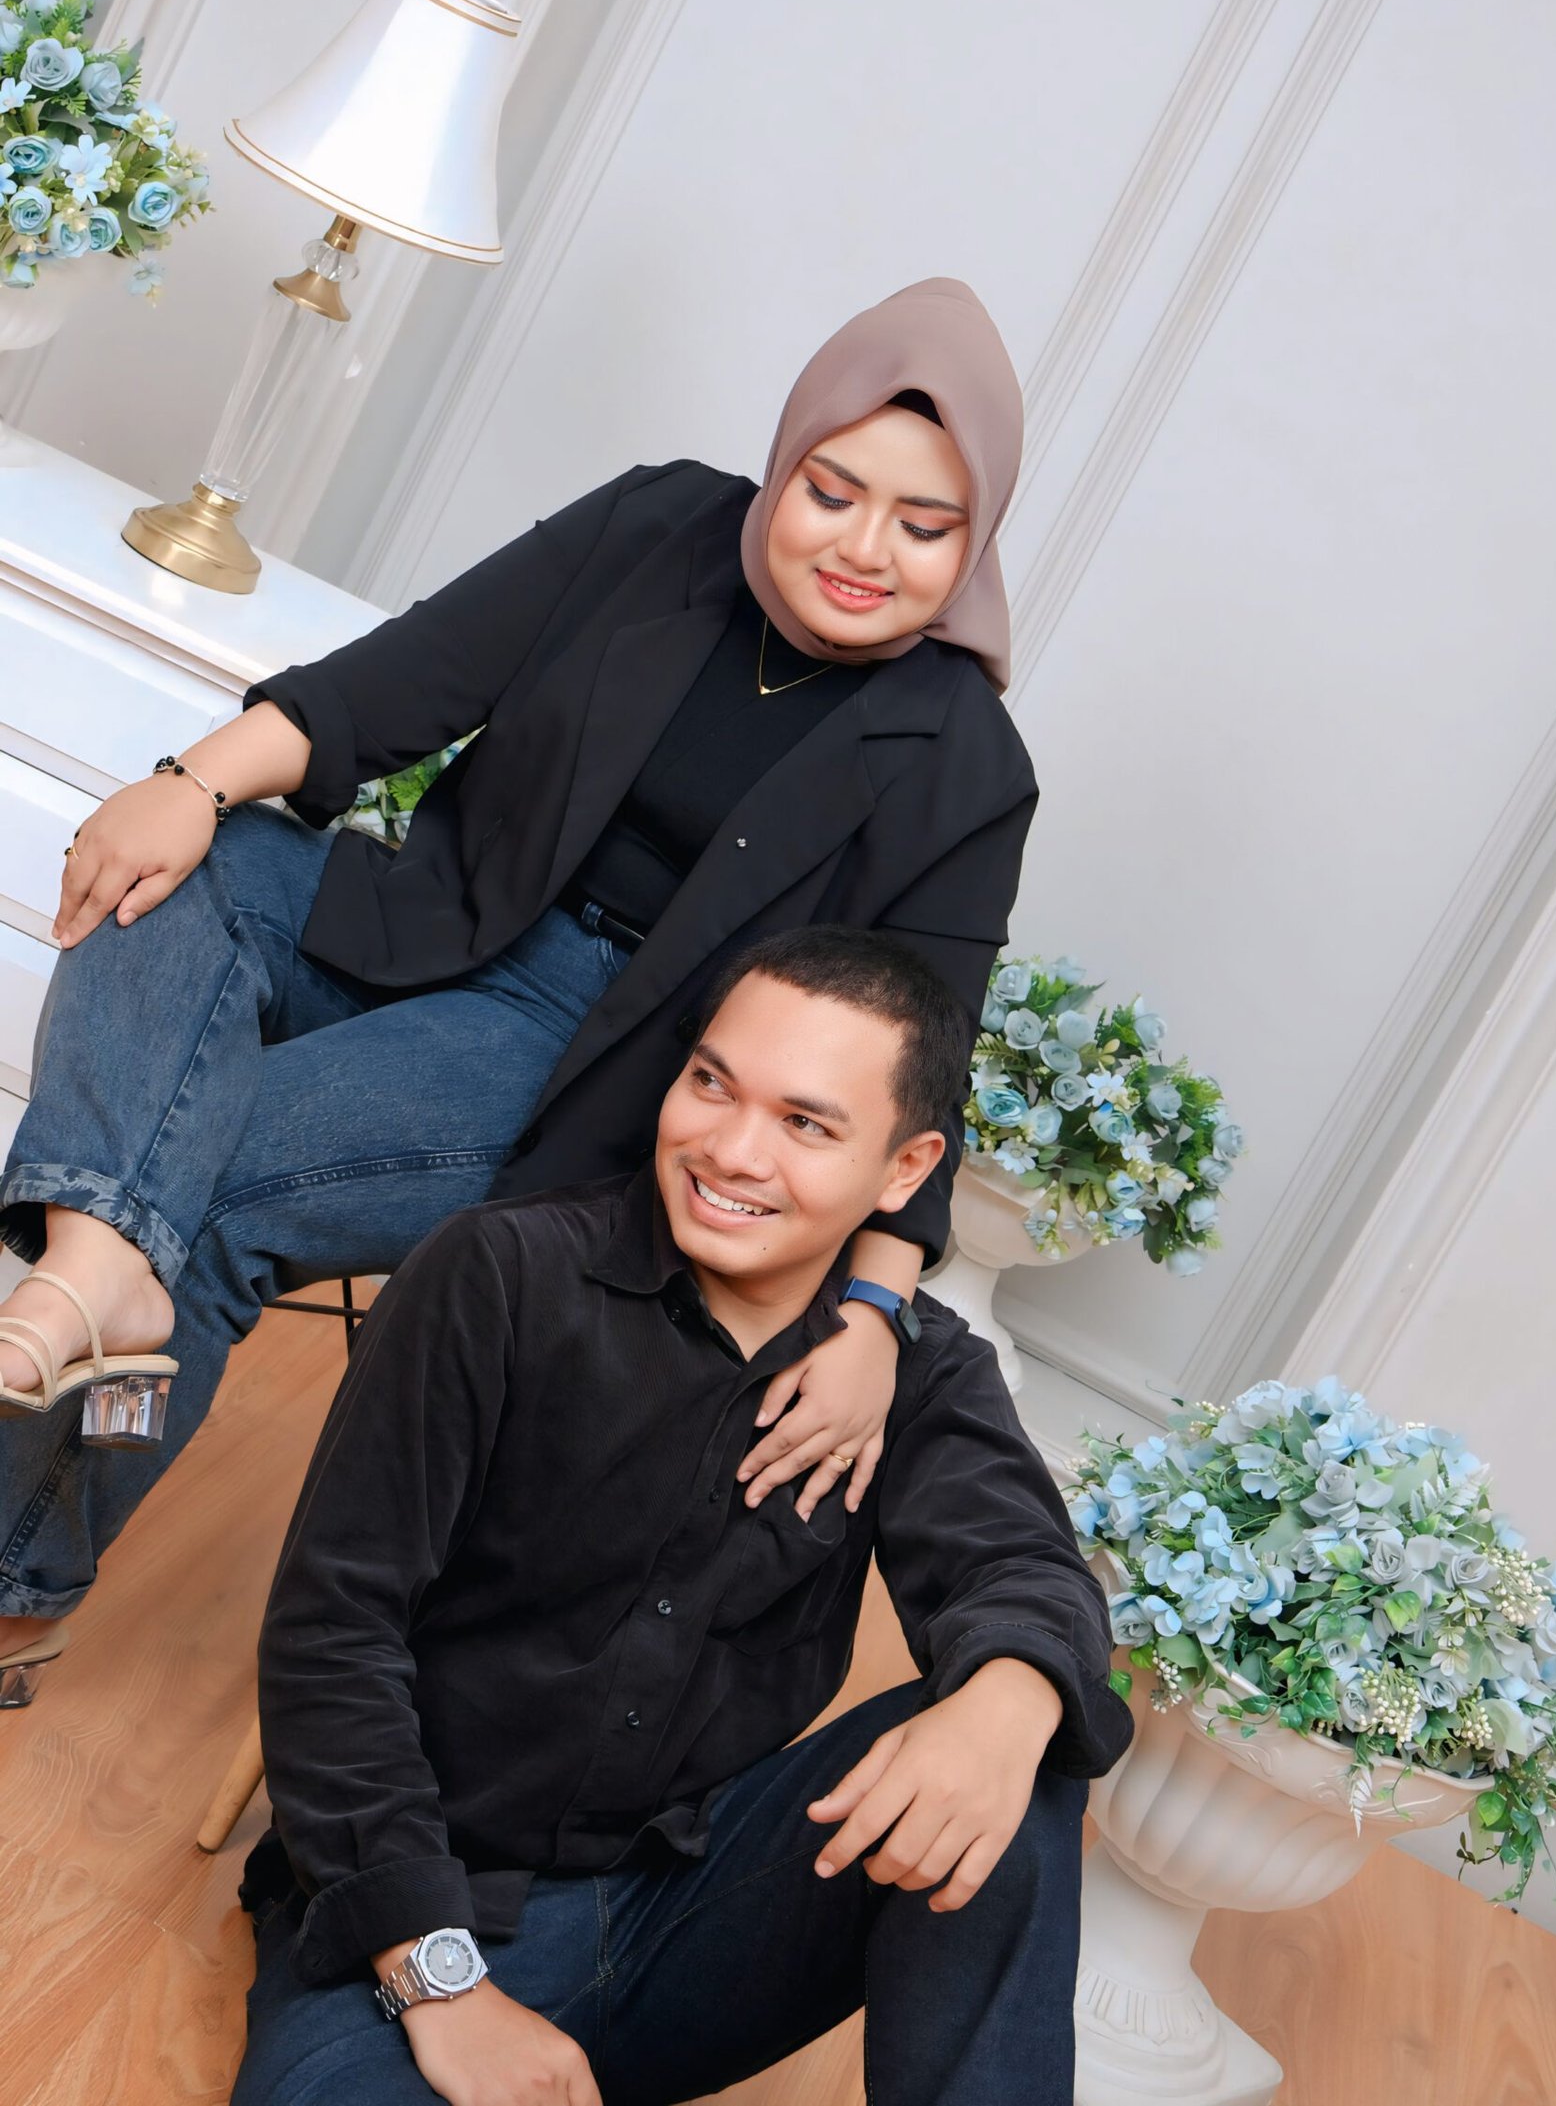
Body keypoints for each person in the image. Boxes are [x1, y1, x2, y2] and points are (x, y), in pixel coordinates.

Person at [0, 277, 1038, 1701]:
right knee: (188, 867)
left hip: (589, 1061)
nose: (864, 549)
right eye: (831, 492)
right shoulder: (660, 524)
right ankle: (96, 1269)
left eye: (923, 528)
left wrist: (873, 1319)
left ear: (973, 546)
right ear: (785, 461)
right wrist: (183, 782)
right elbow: (387, 688)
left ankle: (16, 1577)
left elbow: (922, 1069)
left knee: (221, 1189)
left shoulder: (965, 764)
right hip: (429, 918)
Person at [231, 928, 1133, 2106]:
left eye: (805, 1124)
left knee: (1011, 1741)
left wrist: (1007, 1704)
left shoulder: (915, 1372)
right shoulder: (495, 1276)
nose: (731, 1150)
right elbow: (331, 1632)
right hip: (428, 1905)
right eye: (711, 1083)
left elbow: (1023, 1566)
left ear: (904, 1170)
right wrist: (442, 1984)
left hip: (694, 1903)